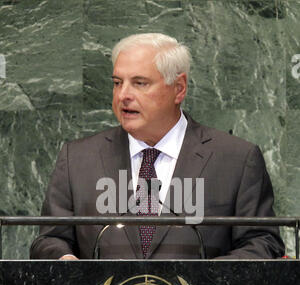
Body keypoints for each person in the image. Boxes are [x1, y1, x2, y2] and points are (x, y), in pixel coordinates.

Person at [30, 33, 285, 260]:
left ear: (179, 88)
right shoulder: (78, 158)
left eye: (140, 83)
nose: (123, 95)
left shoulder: (236, 159)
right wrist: (64, 261)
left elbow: (262, 242)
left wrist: (210, 279)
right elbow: (49, 239)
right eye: (118, 82)